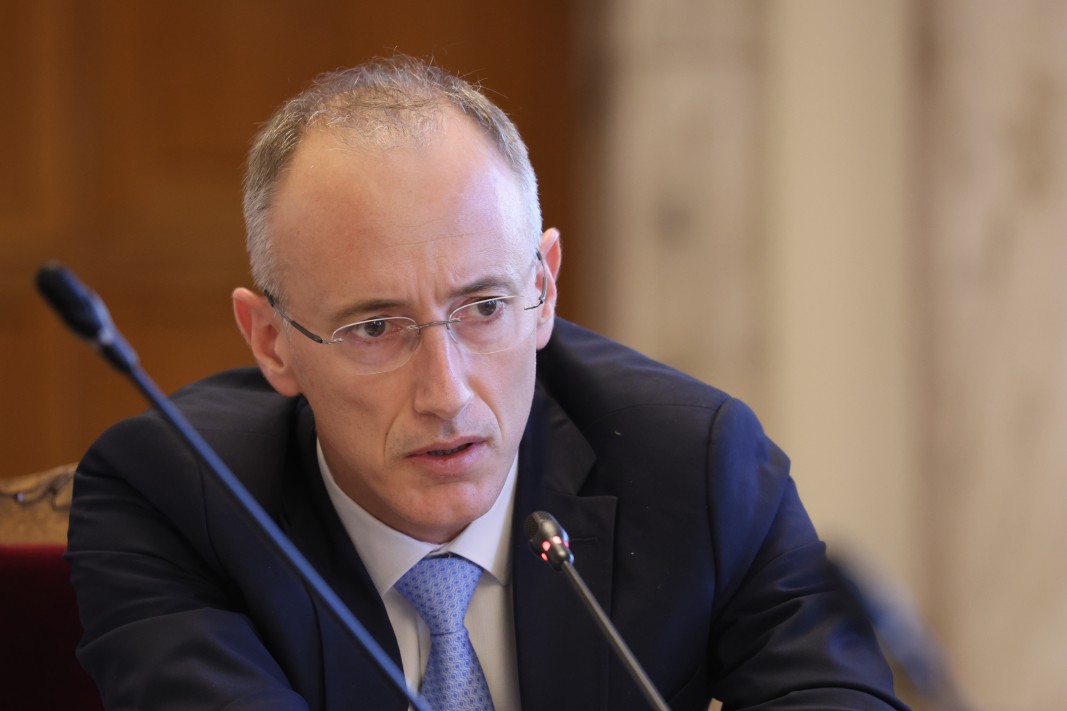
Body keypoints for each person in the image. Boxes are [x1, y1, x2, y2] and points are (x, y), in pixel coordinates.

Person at [67, 55, 909, 710]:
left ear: (543, 287)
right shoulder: (175, 496)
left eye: (483, 307)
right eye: (374, 327)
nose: (446, 394)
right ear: (272, 342)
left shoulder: (695, 462)